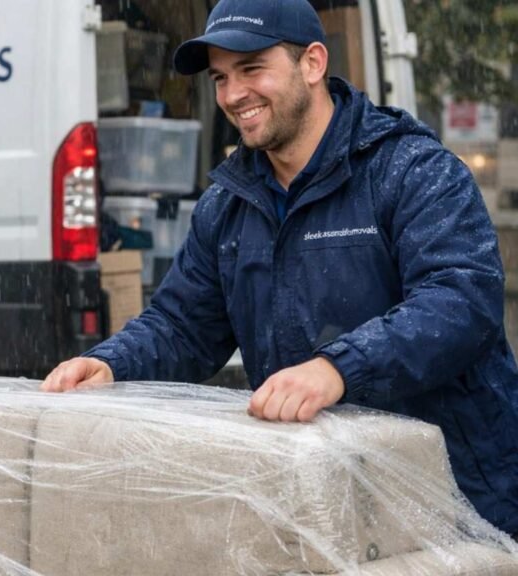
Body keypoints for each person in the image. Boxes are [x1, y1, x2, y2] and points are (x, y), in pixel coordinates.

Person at [42, 0, 518, 539]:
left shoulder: (409, 170)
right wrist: (110, 365)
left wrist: (336, 369)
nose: (232, 94)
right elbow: (181, 326)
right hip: (325, 499)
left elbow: (460, 302)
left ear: (312, 64)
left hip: (456, 501)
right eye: (221, 77)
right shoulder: (228, 205)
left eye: (251, 69)